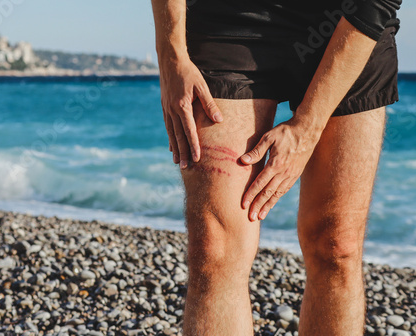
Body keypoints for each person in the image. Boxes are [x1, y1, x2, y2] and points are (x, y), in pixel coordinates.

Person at [151, 0, 402, 334]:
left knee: (336, 246)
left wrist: (308, 126)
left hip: (348, 20)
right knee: (215, 248)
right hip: (230, 19)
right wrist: (172, 55)